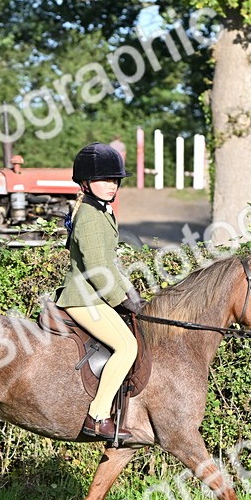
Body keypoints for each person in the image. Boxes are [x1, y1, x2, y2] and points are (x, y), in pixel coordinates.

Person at [55, 142, 143, 442]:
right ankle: (97, 416)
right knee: (127, 347)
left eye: (115, 180)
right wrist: (121, 299)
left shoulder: (100, 210)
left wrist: (129, 291)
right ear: (85, 182)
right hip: (83, 298)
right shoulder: (91, 215)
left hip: (93, 294)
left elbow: (109, 263)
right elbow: (95, 267)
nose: (111, 185)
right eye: (104, 179)